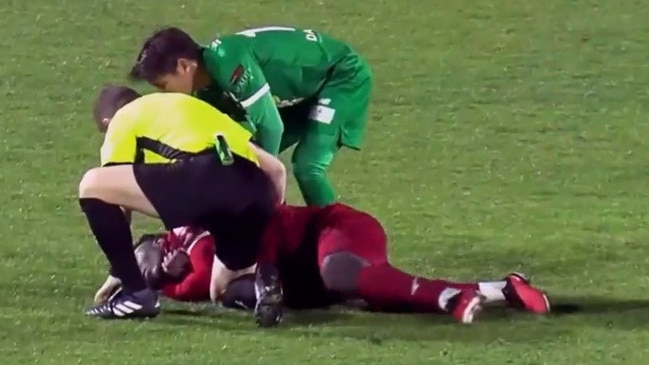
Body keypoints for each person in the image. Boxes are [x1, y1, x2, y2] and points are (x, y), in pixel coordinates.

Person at [103, 204, 551, 324]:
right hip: (305, 276)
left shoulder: (190, 216)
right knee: (371, 294)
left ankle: (452, 297)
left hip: (332, 229)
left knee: (345, 275)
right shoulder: (188, 281)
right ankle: (501, 288)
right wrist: (163, 275)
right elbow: (174, 271)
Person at [80, 85, 286, 321]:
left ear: (108, 121)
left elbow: (114, 199)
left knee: (91, 184)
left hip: (204, 178)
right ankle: (263, 286)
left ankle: (135, 296)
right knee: (220, 291)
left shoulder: (124, 117)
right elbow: (276, 169)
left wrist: (120, 273)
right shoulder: (189, 106)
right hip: (254, 189)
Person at [128, 26, 373, 206]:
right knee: (248, 157)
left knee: (307, 167)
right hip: (302, 92)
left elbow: (271, 127)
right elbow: (229, 140)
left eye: (162, 85)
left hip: (341, 77)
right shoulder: (204, 89)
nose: (163, 94)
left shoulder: (227, 61)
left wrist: (263, 181)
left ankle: (342, 239)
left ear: (184, 66)